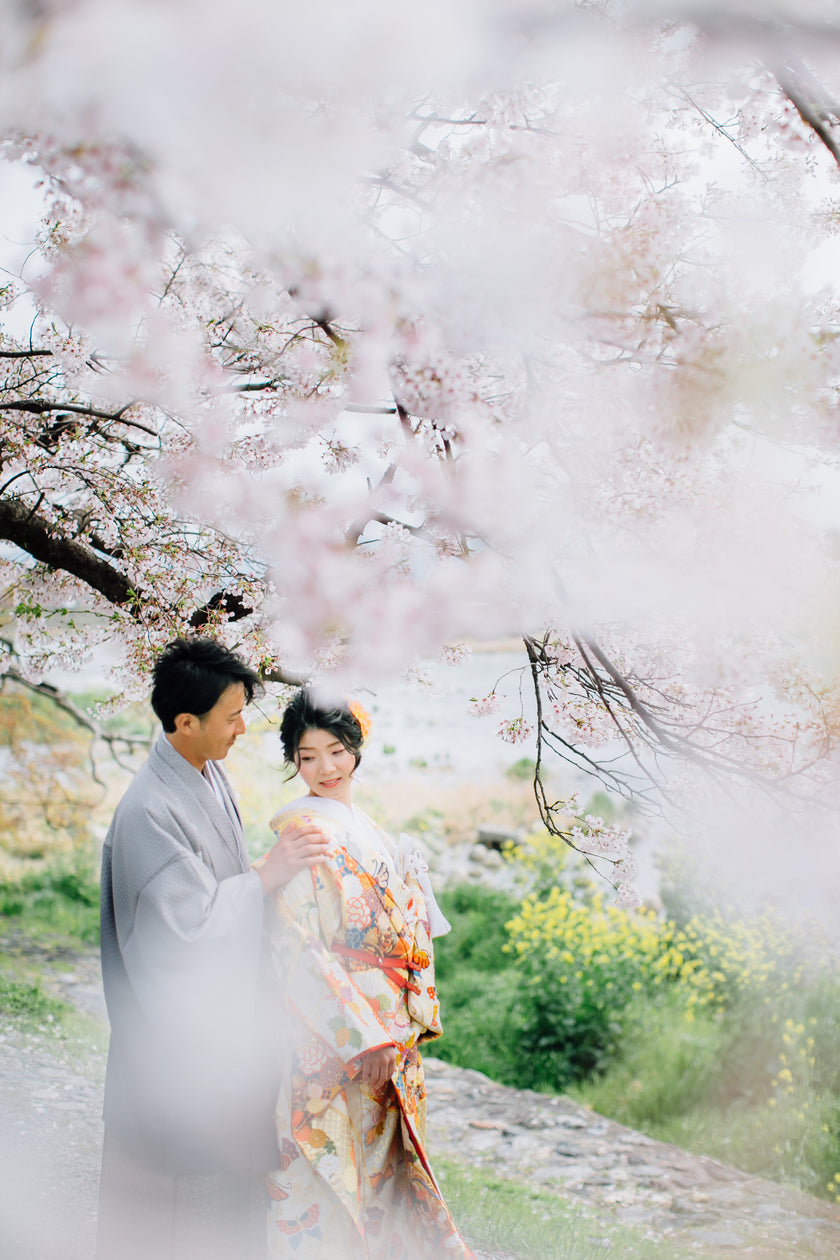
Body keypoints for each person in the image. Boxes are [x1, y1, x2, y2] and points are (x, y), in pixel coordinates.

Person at [97, 637, 330, 1260]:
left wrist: (261, 881)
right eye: (232, 716)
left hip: (214, 1046)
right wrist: (265, 878)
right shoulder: (148, 809)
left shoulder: (203, 772)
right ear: (185, 722)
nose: (242, 728)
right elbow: (183, 942)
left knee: (217, 1206)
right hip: (170, 1054)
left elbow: (213, 888)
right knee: (173, 1214)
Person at [263, 689, 474, 1259]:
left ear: (357, 748)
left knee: (386, 1176)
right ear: (294, 761)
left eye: (336, 751)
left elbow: (405, 930)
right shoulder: (304, 831)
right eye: (307, 757)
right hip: (342, 1039)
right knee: (340, 1177)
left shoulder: (367, 828)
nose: (325, 768)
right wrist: (364, 1036)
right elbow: (298, 945)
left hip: (390, 1030)